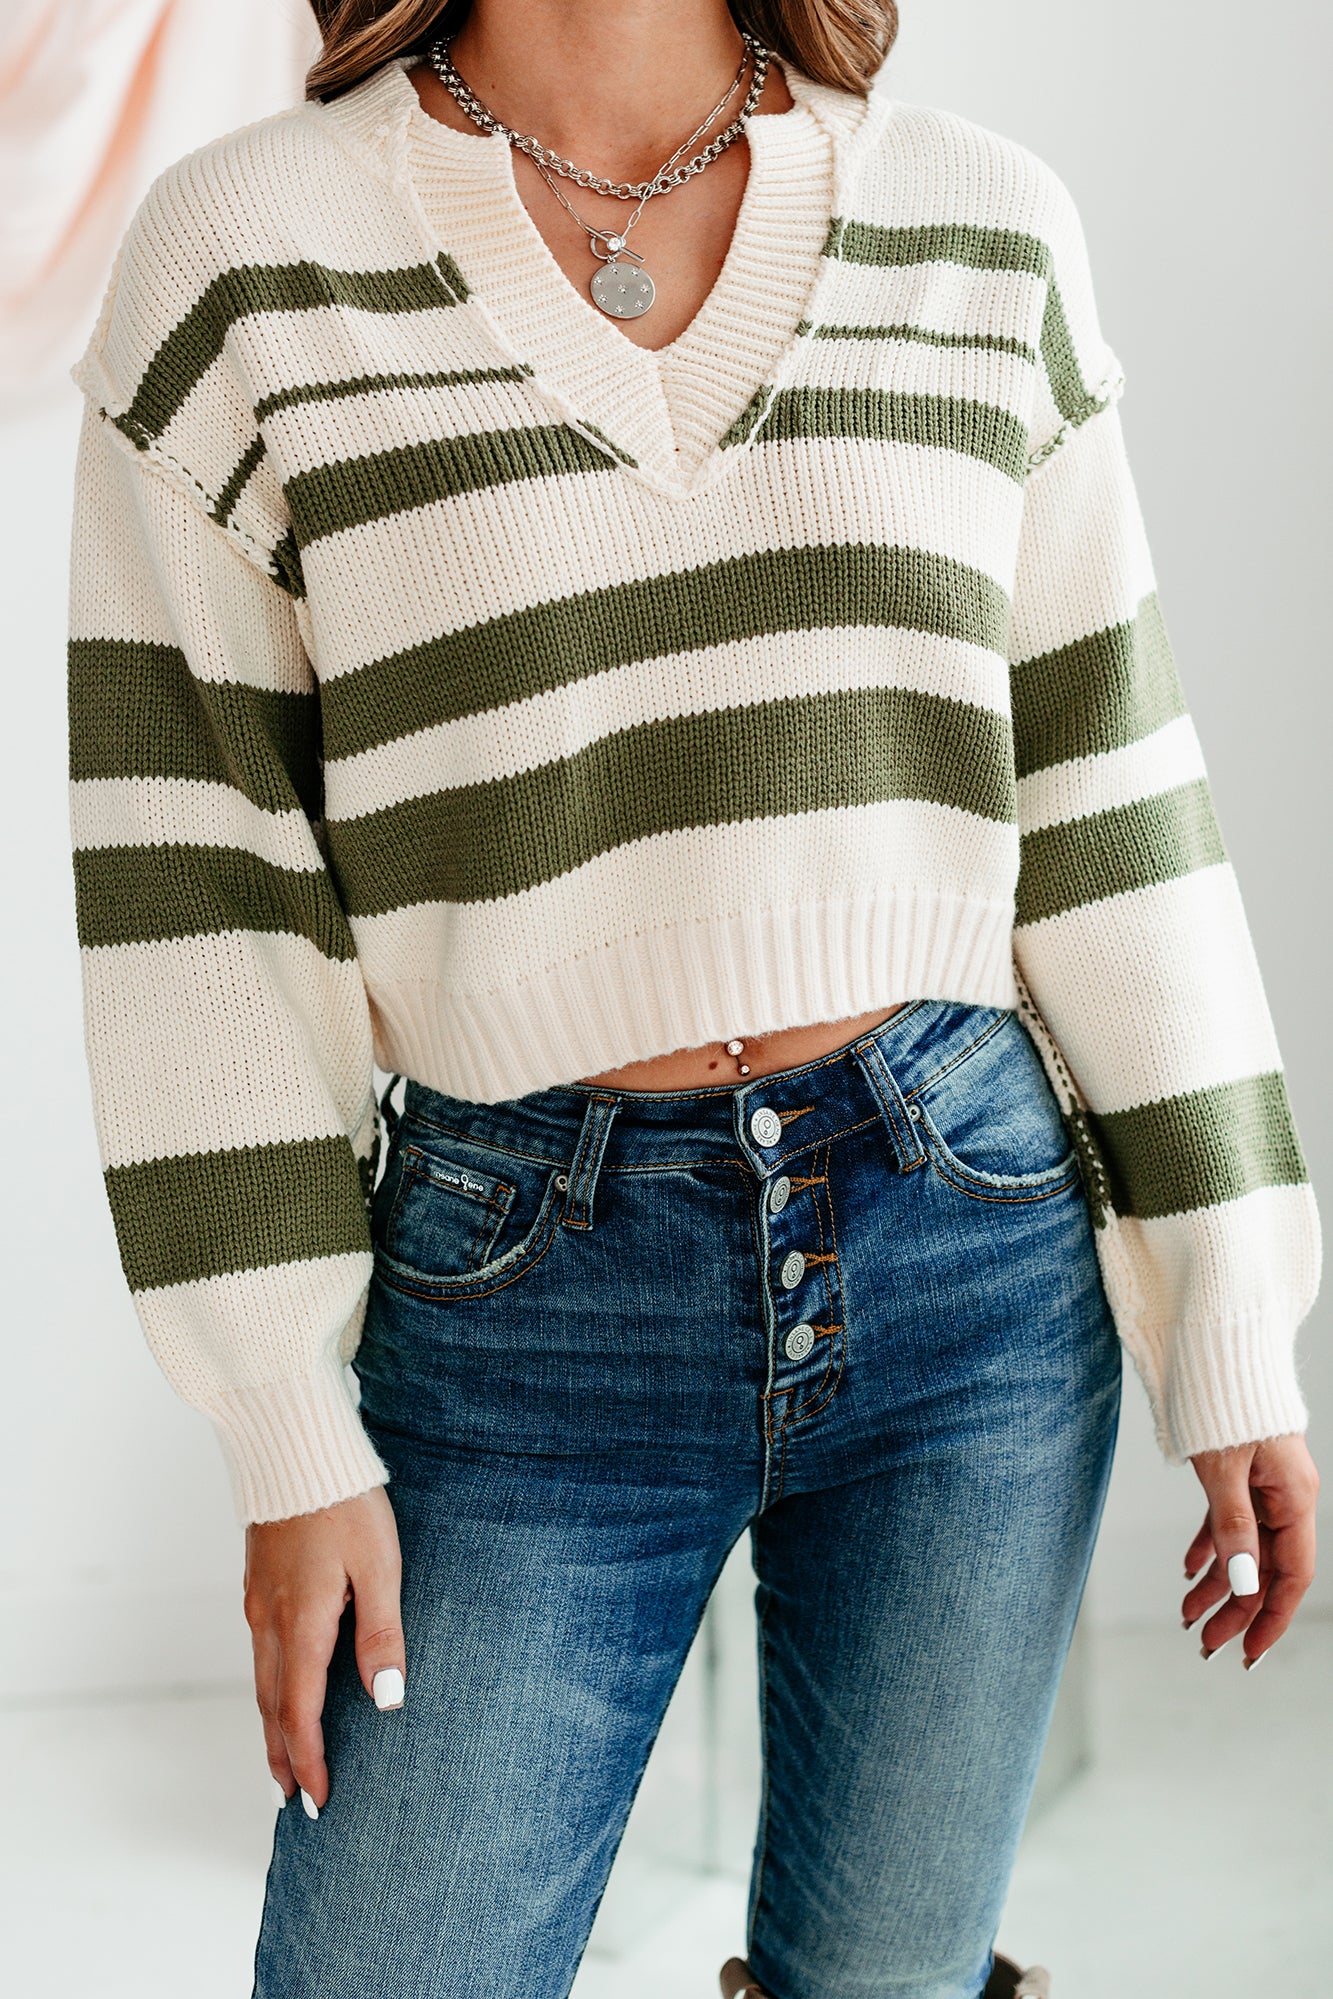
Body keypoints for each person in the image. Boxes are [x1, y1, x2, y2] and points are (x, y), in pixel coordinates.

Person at [66, 2, 1320, 1994]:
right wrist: (283, 1424)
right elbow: (201, 886)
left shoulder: (982, 226)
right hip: (520, 1302)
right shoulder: (240, 260)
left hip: (971, 1259)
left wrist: (1229, 1308)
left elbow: (1107, 802)